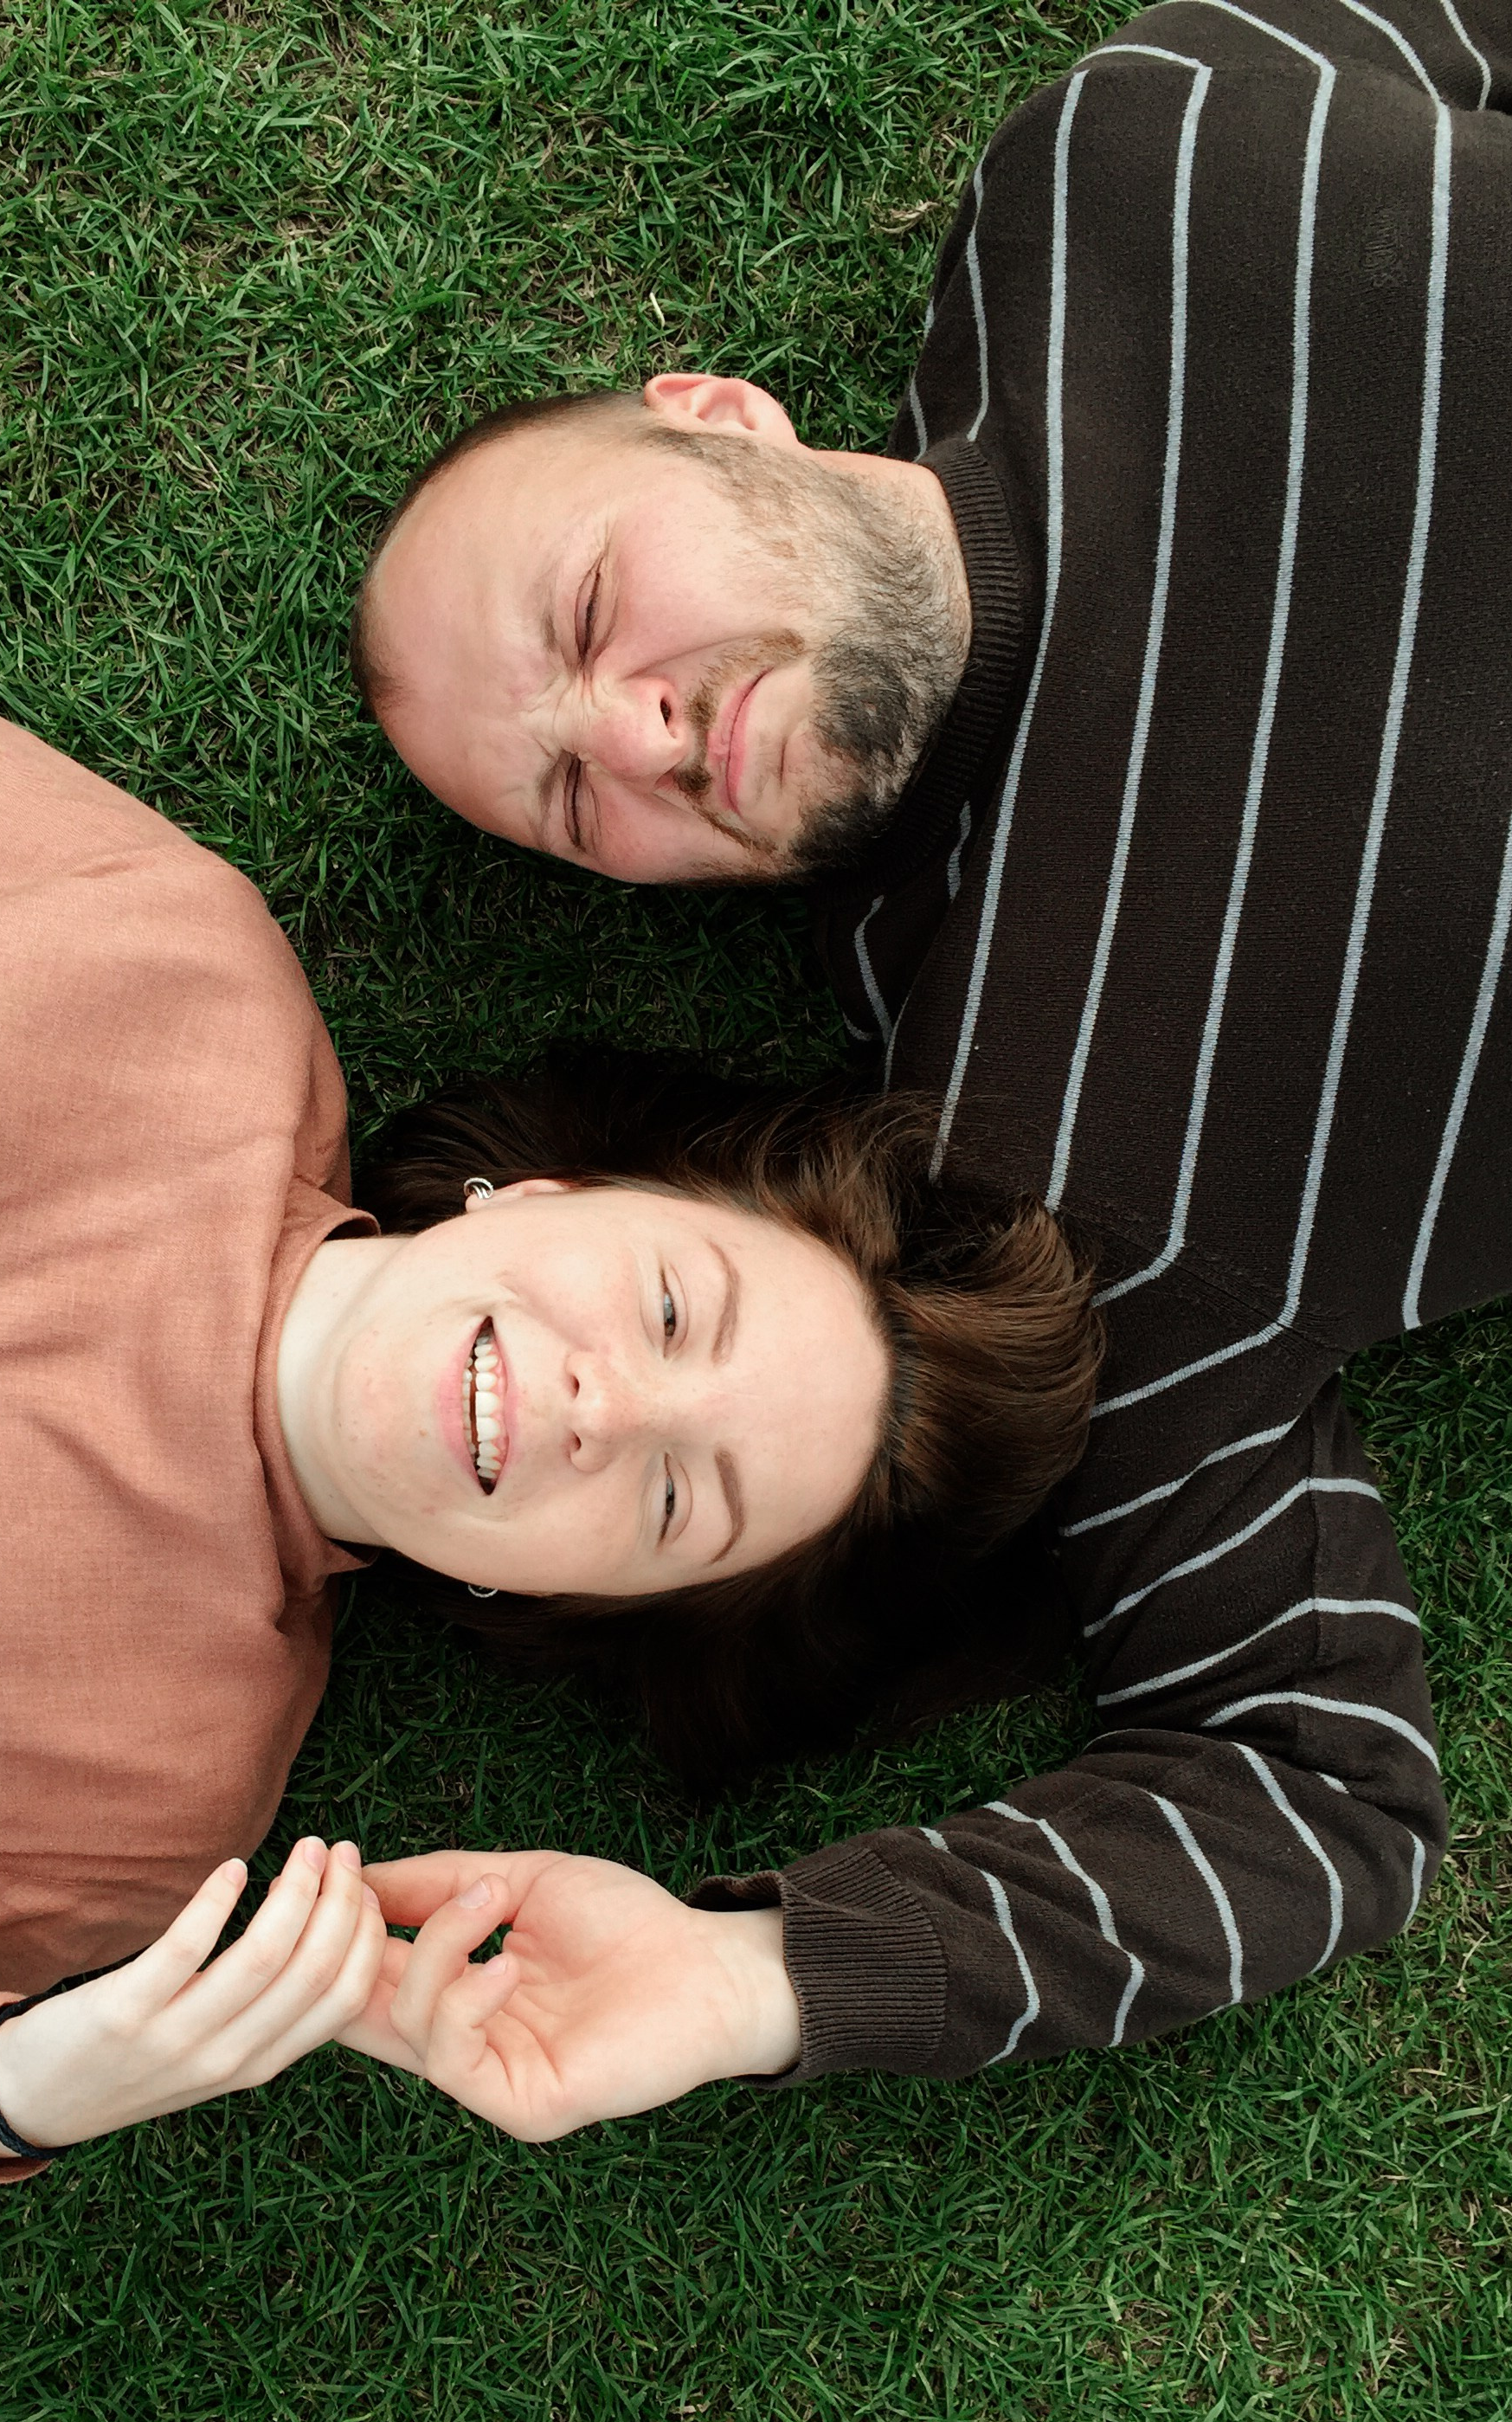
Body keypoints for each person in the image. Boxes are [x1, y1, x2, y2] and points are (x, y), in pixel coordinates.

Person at [0, 595, 1095, 2244]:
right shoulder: (179, 964)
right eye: (673, 1305)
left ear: (573, 1599)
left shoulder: (140, 1790)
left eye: (679, 1502)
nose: (605, 1403)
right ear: (547, 1191)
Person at [339, 0, 1511, 2130]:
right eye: (559, 804)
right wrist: (748, 1976)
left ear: (720, 417)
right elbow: (1316, 1793)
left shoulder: (1135, 159)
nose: (626, 736)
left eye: (593, 608)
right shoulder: (1022, 1184)